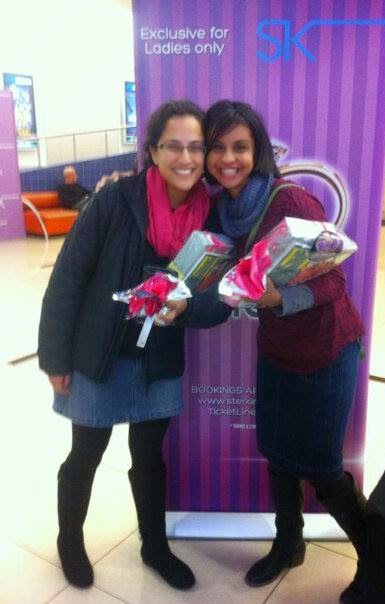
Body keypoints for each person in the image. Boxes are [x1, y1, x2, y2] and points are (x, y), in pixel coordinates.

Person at [38, 100, 230, 591]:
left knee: (149, 457)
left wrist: (189, 307)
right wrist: (54, 357)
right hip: (99, 352)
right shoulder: (115, 200)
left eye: (196, 147)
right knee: (86, 454)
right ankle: (69, 539)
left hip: (158, 359)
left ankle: (154, 545)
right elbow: (68, 278)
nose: (186, 158)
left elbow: (218, 299)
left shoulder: (210, 215)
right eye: (173, 146)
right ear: (153, 151)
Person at [204, 100, 366, 604]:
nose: (228, 158)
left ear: (258, 151)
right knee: (276, 452)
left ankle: (381, 556)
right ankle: (288, 544)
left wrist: (279, 300)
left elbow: (335, 282)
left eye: (240, 147)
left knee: (321, 466)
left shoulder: (290, 201)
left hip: (326, 347)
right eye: (217, 147)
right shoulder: (223, 209)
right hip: (276, 347)